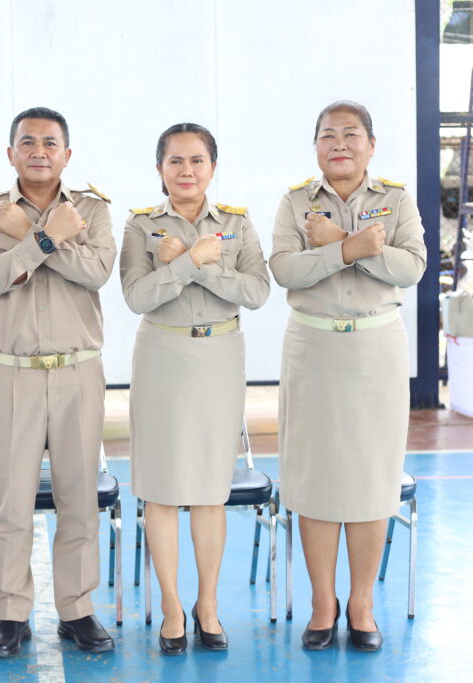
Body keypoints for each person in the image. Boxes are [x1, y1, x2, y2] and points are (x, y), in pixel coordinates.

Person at [270, 101, 426, 652]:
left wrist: (338, 244)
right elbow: (284, 269)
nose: (339, 143)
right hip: (312, 347)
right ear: (316, 146)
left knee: (370, 479)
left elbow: (412, 266)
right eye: (328, 135)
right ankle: (322, 604)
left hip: (376, 348)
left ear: (371, 145)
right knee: (314, 478)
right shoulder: (295, 202)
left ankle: (361, 605)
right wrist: (352, 249)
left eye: (351, 134)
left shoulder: (396, 199)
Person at [0, 107, 117, 657]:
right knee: (11, 503)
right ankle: (10, 614)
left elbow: (97, 272)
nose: (38, 152)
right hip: (14, 374)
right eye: (27, 143)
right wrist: (46, 238)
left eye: (50, 143)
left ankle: (77, 610)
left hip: (78, 371)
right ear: (11, 153)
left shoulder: (92, 209)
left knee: (79, 498)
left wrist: (28, 239)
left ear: (66, 154)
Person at [120, 123, 270, 654]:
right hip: (162, 353)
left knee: (210, 489)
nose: (187, 171)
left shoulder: (236, 223)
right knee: (162, 488)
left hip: (219, 355)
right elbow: (137, 297)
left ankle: (207, 605)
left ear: (213, 167)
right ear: (159, 169)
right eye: (176, 161)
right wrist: (191, 261)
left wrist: (195, 266)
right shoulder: (141, 226)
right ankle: (171, 607)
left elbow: (257, 291)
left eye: (197, 160)